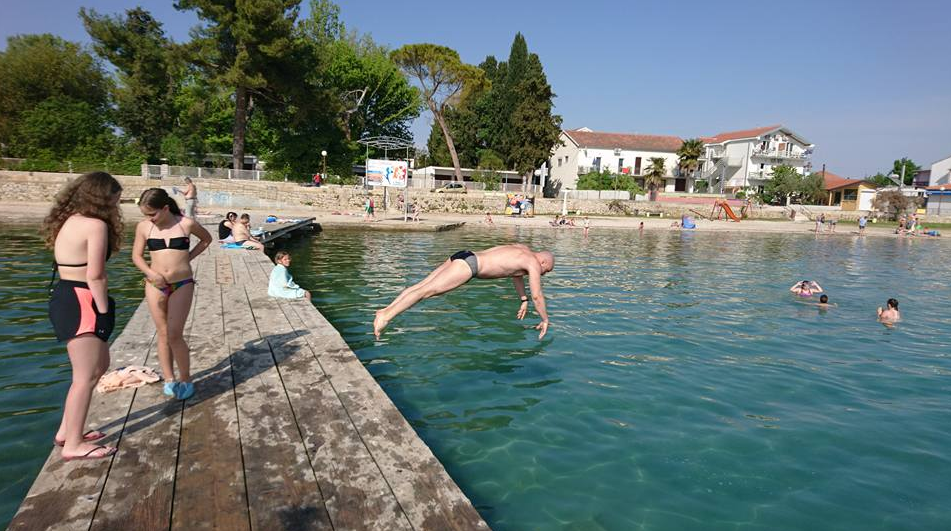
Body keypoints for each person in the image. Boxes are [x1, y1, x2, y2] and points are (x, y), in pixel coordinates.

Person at [43, 172, 123, 461]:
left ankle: (67, 432)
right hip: (83, 300)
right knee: (85, 377)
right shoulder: (95, 225)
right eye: (115, 199)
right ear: (102, 198)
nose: (117, 204)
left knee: (100, 365)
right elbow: (96, 276)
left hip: (65, 295)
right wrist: (104, 311)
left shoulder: (69, 219)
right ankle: (74, 445)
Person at [373, 244, 555, 340]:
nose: (543, 274)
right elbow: (537, 295)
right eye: (545, 271)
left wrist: (523, 299)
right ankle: (386, 317)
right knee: (426, 292)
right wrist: (545, 319)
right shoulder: (532, 263)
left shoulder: (523, 250)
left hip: (465, 254)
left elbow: (516, 275)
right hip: (470, 266)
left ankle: (385, 311)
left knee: (421, 286)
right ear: (543, 262)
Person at [133, 188, 212, 400]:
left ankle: (186, 379)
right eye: (146, 215)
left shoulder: (186, 224)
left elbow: (206, 239)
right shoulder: (144, 227)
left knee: (175, 333)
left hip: (182, 284)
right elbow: (137, 256)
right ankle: (169, 378)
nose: (149, 218)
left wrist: (188, 258)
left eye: (152, 214)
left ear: (166, 208)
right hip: (155, 284)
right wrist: (150, 273)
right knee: (162, 333)